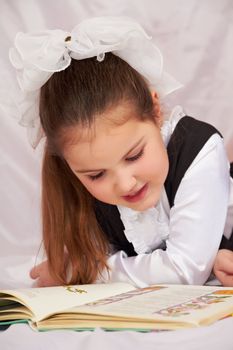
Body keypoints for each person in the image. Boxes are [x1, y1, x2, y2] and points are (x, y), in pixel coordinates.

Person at [9, 17, 233, 288]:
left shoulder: (198, 148)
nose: (125, 183)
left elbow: (184, 268)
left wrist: (81, 274)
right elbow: (97, 256)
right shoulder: (82, 186)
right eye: (96, 175)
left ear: (156, 110)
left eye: (134, 156)